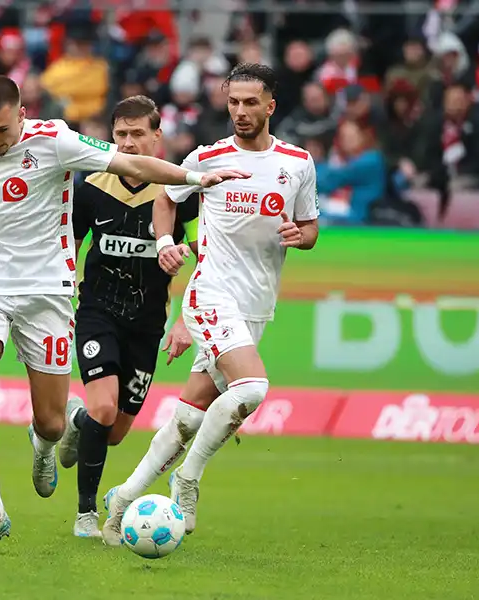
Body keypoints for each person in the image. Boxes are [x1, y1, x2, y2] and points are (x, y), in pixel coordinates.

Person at [0, 74, 248, 552]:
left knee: (54, 420)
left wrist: (197, 178)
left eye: (2, 131)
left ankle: (46, 442)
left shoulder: (55, 140)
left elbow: (132, 161)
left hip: (45, 294)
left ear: (22, 116)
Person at [101, 63, 320, 544]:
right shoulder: (208, 157)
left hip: (257, 304)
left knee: (192, 413)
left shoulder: (298, 163)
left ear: (270, 106)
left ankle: (122, 498)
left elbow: (309, 229)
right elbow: (165, 200)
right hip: (211, 291)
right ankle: (188, 479)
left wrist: (297, 236)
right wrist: (164, 245)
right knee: (253, 388)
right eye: (233, 102)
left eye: (250, 103)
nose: (240, 111)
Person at [57, 95, 198, 539]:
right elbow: (65, 249)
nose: (130, 142)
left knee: (113, 431)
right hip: (98, 313)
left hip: (147, 322)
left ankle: (73, 421)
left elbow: (211, 255)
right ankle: (85, 516)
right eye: (121, 135)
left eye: (138, 134)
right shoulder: (92, 188)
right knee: (103, 408)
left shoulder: (178, 193)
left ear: (158, 136)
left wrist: (185, 319)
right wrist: (59, 305)